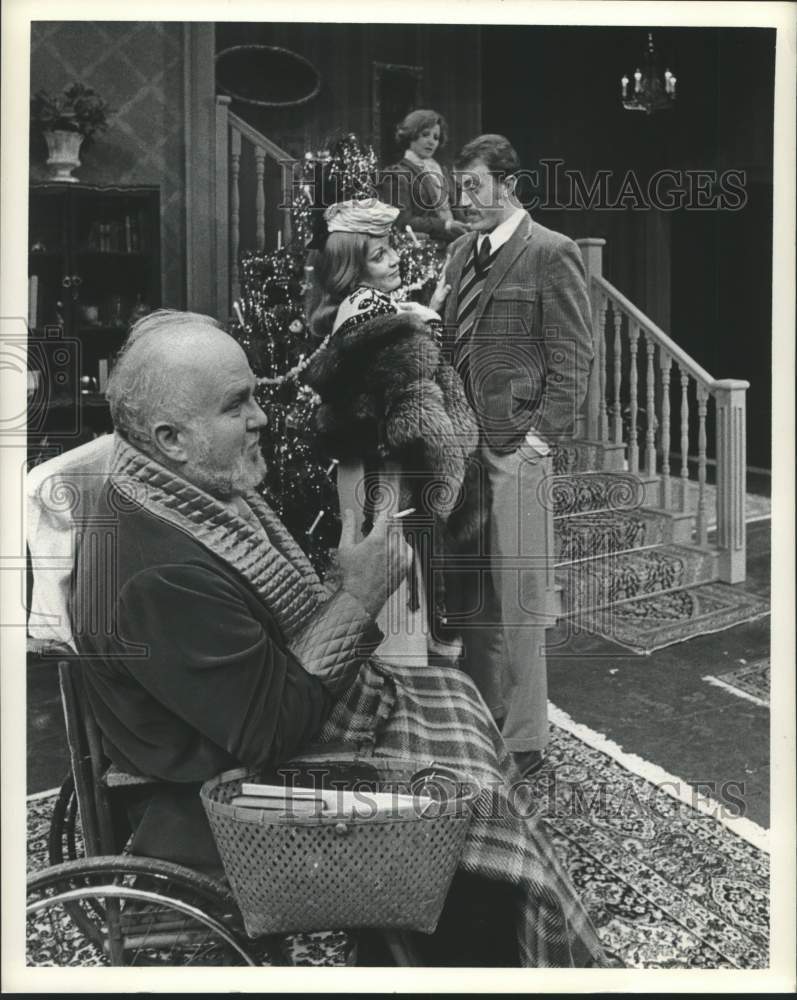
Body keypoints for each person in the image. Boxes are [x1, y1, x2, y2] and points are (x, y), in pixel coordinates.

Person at [64, 309, 605, 967]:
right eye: (238, 405)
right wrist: (360, 596)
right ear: (171, 437)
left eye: (255, 393)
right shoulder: (159, 574)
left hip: (240, 739)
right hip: (211, 807)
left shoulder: (174, 485)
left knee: (454, 699)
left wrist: (342, 593)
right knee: (466, 830)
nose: (263, 416)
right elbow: (271, 729)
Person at [441, 134, 594, 778]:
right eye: (458, 186)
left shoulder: (550, 253)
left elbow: (574, 355)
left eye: (474, 185)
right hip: (463, 449)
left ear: (508, 185)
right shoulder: (460, 252)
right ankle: (483, 726)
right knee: (475, 599)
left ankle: (525, 743)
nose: (463, 198)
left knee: (523, 600)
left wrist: (541, 438)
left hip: (515, 450)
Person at [305, 198, 480, 657]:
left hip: (369, 478)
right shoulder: (374, 317)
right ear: (352, 271)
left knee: (384, 604)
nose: (397, 257)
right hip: (389, 486)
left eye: (390, 248)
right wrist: (453, 481)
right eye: (380, 254)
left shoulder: (364, 308)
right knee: (396, 611)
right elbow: (420, 420)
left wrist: (420, 313)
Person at [380, 108, 471, 246]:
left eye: (436, 137)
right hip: (426, 250)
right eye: (425, 135)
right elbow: (403, 222)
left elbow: (456, 211)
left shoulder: (442, 171)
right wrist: (445, 225)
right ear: (411, 135)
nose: (431, 142)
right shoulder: (397, 174)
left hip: (457, 246)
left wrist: (468, 226)